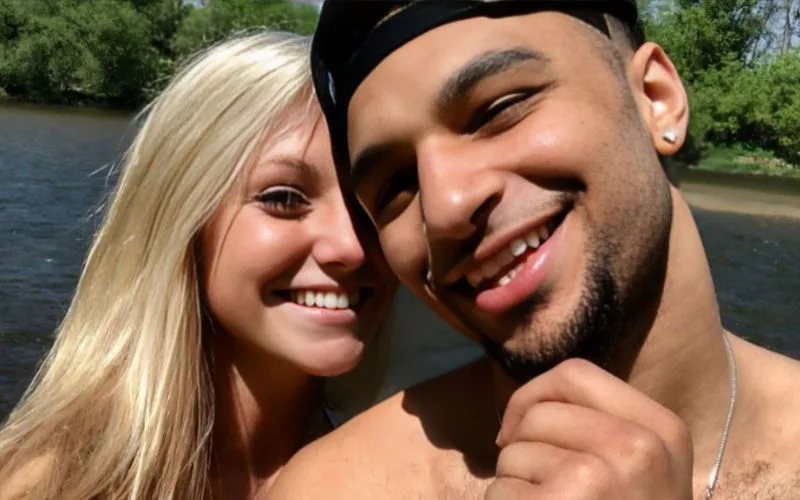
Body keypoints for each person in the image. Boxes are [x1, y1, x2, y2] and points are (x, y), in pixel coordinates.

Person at [269, 1, 800, 499]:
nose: (447, 205)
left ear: (656, 99)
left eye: (498, 109)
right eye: (395, 186)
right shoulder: (343, 486)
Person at [0, 31, 395, 499]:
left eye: (376, 199)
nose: (351, 246)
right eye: (283, 198)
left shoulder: (418, 468)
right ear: (181, 216)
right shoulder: (53, 484)